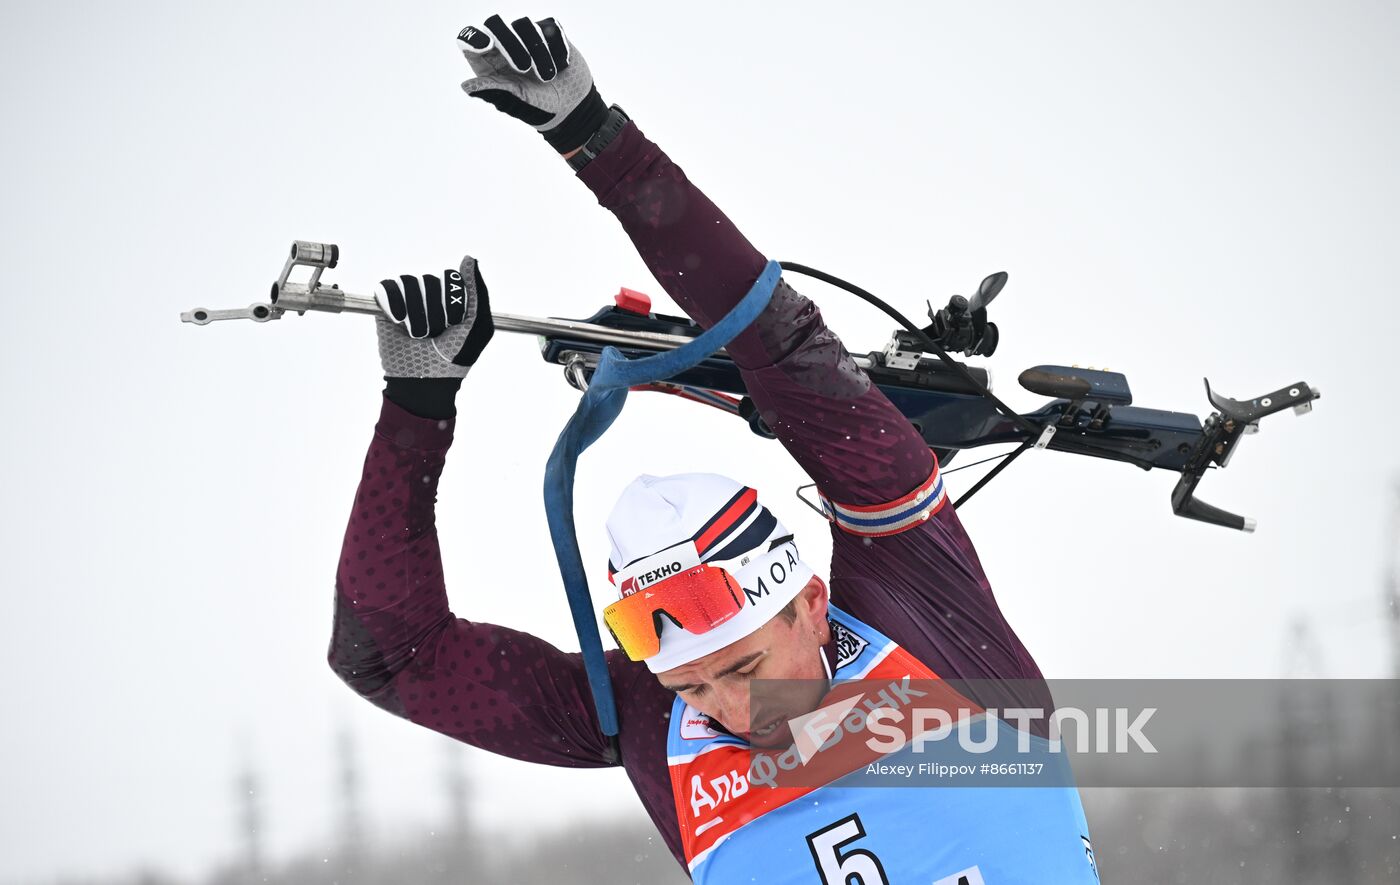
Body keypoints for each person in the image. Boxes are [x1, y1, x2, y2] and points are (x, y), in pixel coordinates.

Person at [331, 13, 1099, 883]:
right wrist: (415, 406)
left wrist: (594, 137)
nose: (733, 712)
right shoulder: (648, 717)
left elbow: (780, 344)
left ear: (809, 604)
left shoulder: (923, 617)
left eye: (744, 668)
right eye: (692, 685)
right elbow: (391, 658)